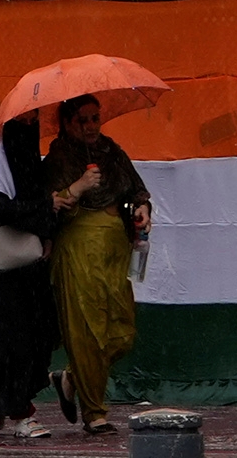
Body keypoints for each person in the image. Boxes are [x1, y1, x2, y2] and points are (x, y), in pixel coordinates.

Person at [23, 94, 153, 433]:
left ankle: (70, 376)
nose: (92, 126)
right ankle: (95, 413)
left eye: (96, 117)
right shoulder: (58, 159)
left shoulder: (111, 152)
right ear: (68, 123)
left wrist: (142, 209)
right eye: (84, 119)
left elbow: (137, 190)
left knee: (122, 332)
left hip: (114, 250)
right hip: (78, 250)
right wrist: (77, 188)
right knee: (87, 332)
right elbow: (47, 205)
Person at [0, 118, 64, 442]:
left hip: (33, 264)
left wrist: (47, 234)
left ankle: (2, 401)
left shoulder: (28, 162)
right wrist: (44, 205)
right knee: (11, 340)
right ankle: (21, 414)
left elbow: (34, 197)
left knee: (39, 335)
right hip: (5, 271)